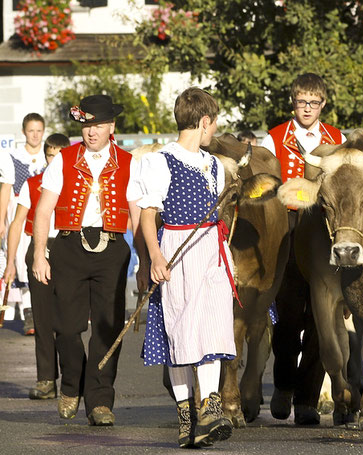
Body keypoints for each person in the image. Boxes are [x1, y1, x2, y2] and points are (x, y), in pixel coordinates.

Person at [32, 95, 145, 426]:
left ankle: (99, 401)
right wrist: (40, 252)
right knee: (65, 328)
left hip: (112, 249)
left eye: (97, 125)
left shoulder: (129, 162)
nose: (91, 131)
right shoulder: (63, 159)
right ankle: (71, 383)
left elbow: (137, 216)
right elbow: (43, 210)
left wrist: (143, 262)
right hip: (68, 246)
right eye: (86, 125)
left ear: (111, 127)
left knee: (107, 327)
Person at [138, 87, 236, 448]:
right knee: (181, 328)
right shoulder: (160, 161)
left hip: (211, 248)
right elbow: (148, 215)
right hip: (176, 248)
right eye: (213, 124)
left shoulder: (214, 165)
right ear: (205, 122)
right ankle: (186, 418)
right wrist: (155, 257)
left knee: (211, 324)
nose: (213, 131)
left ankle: (210, 407)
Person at [261, 73, 345, 425]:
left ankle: (307, 399)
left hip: (325, 228)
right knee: (288, 314)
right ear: (292, 103)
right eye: (301, 102)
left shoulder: (337, 138)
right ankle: (283, 384)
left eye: (314, 102)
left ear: (323, 104)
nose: (307, 108)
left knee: (320, 319)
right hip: (289, 226)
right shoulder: (275, 137)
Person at [3, 133, 69, 399]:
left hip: (69, 248)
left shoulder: (78, 183)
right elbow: (17, 223)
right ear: (45, 157)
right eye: (50, 155)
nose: (54, 160)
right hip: (39, 248)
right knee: (42, 320)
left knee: (69, 322)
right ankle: (46, 380)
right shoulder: (33, 184)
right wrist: (9, 262)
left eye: (59, 155)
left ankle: (73, 380)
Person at [0, 113, 47, 334]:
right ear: (24, 132)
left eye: (39, 130)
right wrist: (1, 220)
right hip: (20, 210)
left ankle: (44, 312)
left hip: (43, 212)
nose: (35, 135)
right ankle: (29, 314)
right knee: (20, 261)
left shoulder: (51, 156)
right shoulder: (13, 156)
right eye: (31, 130)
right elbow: (6, 189)